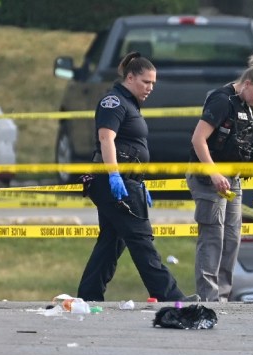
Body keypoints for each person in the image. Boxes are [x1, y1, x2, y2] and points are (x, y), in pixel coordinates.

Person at [77, 52, 191, 302]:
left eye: (153, 83)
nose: (150, 88)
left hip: (128, 181)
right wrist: (115, 175)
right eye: (146, 82)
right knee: (140, 238)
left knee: (111, 241)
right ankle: (170, 295)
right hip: (114, 182)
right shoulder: (114, 102)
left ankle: (89, 295)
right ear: (130, 77)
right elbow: (106, 138)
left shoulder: (129, 103)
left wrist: (138, 180)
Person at [187, 52, 253, 302]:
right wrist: (213, 172)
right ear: (247, 84)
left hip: (233, 179)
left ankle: (223, 296)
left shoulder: (247, 106)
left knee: (231, 238)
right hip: (209, 177)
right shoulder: (221, 100)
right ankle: (208, 298)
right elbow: (198, 139)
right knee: (213, 237)